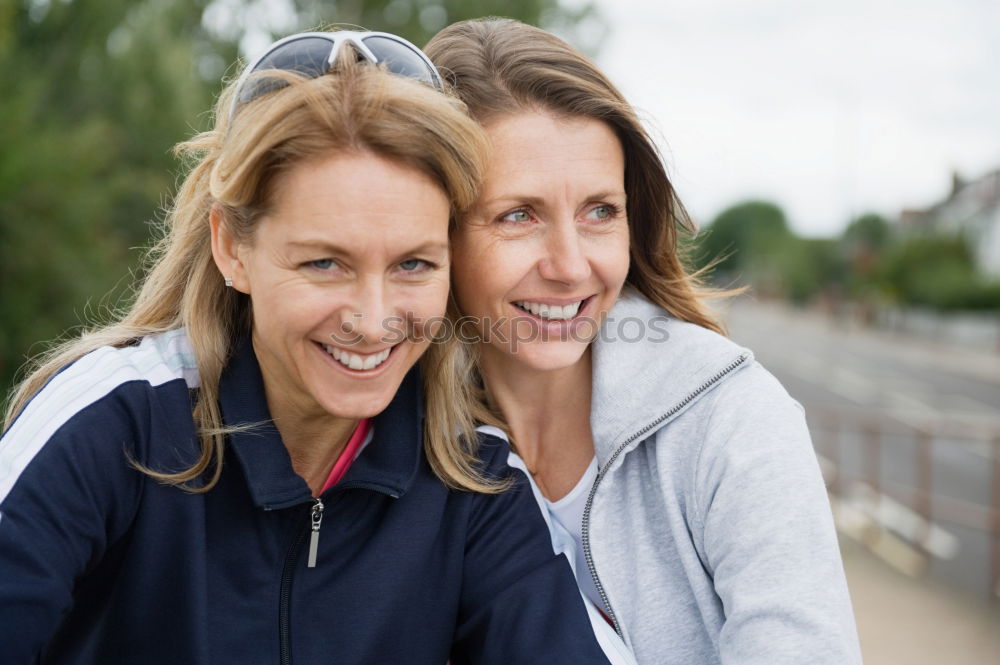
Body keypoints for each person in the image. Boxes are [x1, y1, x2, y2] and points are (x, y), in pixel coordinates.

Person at [0, 30, 613, 665]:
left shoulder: (474, 475)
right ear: (232, 248)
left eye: (413, 264)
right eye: (324, 263)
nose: (373, 322)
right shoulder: (112, 421)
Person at [426, 18, 863, 665]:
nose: (572, 265)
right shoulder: (390, 432)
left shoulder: (732, 419)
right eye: (519, 214)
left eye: (601, 210)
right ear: (435, 230)